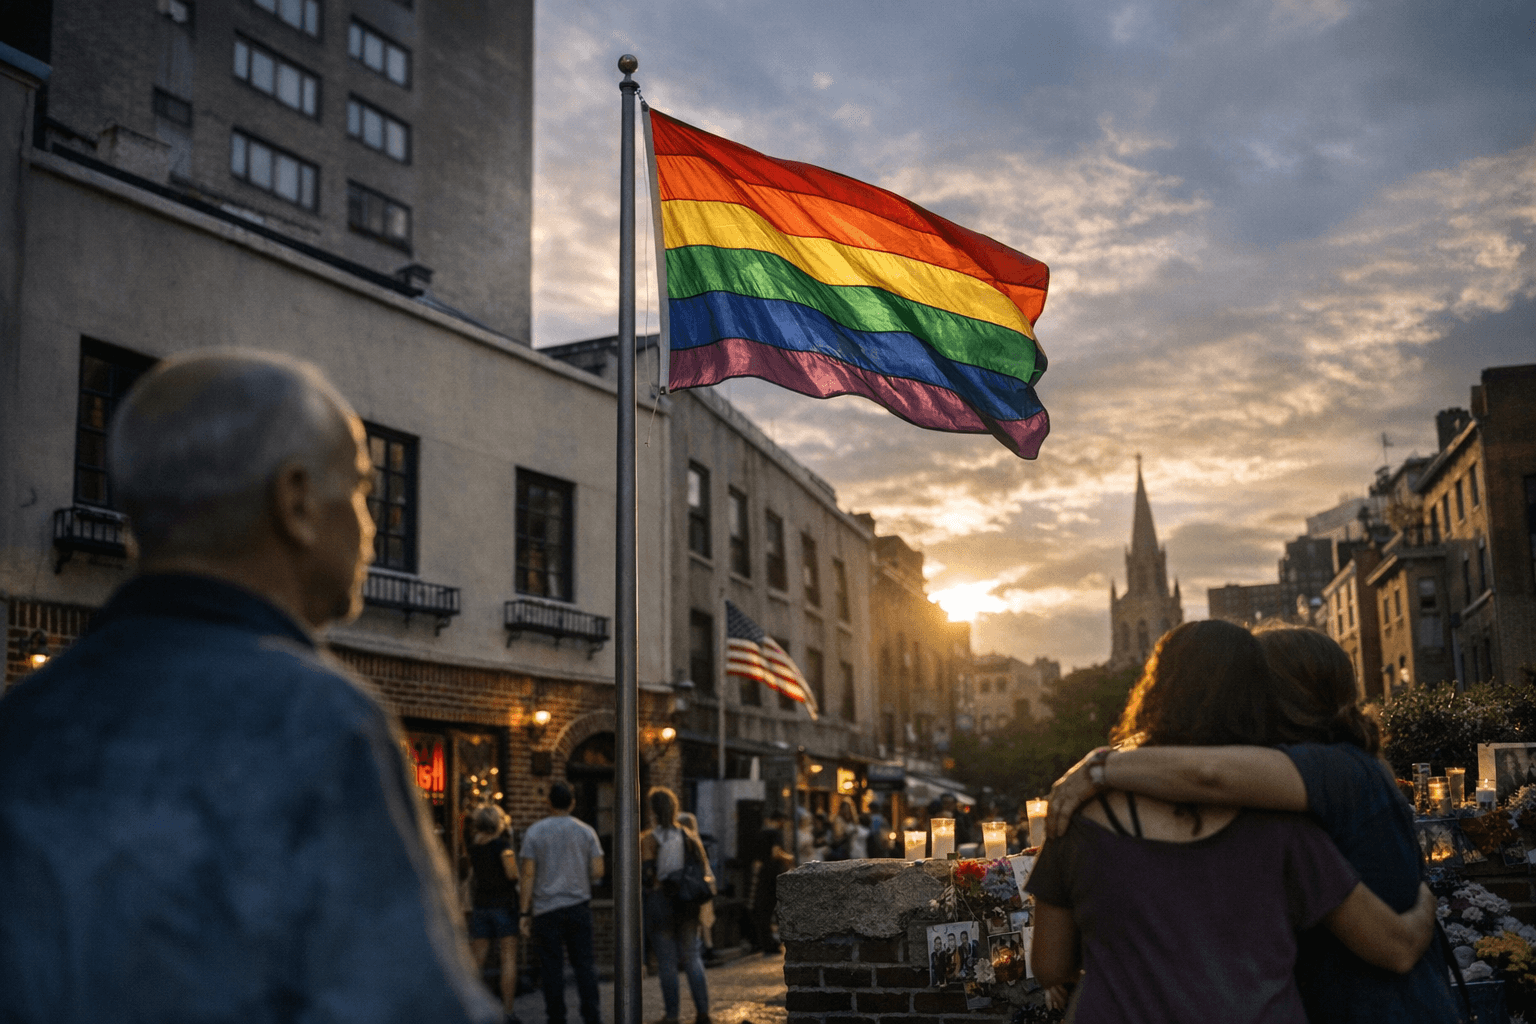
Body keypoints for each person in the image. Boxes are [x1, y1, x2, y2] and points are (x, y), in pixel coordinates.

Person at [0, 349, 499, 1023]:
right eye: (357, 490)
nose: (370, 525)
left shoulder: (22, 722)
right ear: (294, 501)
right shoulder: (316, 720)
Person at [1026, 620, 1438, 1023]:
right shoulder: (1284, 817)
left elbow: (1049, 965)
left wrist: (1100, 768)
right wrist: (1424, 904)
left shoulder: (1080, 821)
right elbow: (1392, 943)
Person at [519, 783, 605, 1024]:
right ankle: (592, 1015)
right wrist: (578, 875)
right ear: (573, 802)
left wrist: (524, 912)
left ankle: (556, 1017)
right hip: (578, 906)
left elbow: (527, 874)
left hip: (546, 910)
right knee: (585, 965)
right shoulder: (586, 831)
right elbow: (598, 870)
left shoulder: (535, 832)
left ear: (549, 802)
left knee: (551, 969)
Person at [641, 788, 713, 1024]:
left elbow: (645, 877)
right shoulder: (690, 837)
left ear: (653, 811)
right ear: (674, 808)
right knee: (693, 957)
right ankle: (702, 1012)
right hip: (688, 902)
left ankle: (672, 1015)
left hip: (661, 901)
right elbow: (704, 871)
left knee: (667, 963)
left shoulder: (648, 840)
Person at [468, 805, 522, 1024]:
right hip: (504, 906)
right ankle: (507, 1012)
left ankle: (471, 1007)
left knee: (476, 961)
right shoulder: (503, 846)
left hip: (481, 905)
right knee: (508, 958)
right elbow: (512, 874)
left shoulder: (474, 847)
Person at [749, 811, 793, 953]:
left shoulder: (759, 834)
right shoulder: (775, 834)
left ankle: (764, 942)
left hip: (762, 873)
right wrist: (788, 858)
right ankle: (775, 942)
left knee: (763, 910)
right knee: (777, 907)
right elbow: (775, 852)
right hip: (774, 873)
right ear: (780, 820)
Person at [676, 812, 717, 963]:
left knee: (698, 921)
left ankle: (703, 950)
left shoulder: (686, 842)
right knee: (704, 920)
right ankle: (708, 948)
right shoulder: (698, 842)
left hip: (693, 887)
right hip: (703, 886)